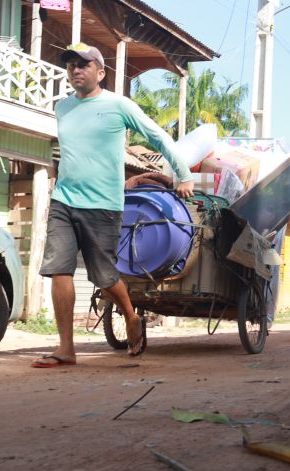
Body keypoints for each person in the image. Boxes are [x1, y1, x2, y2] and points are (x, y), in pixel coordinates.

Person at [31, 43, 194, 368]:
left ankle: (131, 318)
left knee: (104, 276)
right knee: (58, 269)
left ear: (101, 72)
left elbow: (158, 136)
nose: (76, 69)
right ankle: (66, 348)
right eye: (72, 64)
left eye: (84, 64)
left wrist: (184, 174)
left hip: (104, 205)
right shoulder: (62, 108)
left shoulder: (118, 105)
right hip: (64, 199)